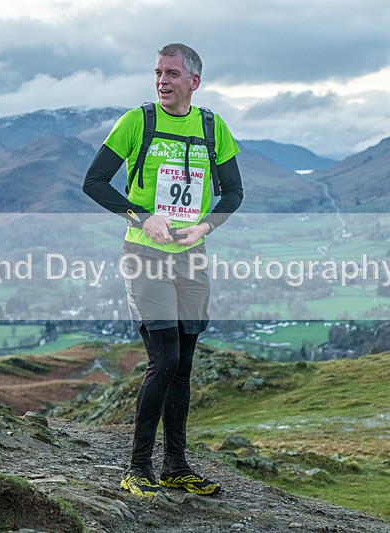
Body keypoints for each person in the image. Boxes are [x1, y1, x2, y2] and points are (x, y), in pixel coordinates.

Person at [82, 43, 244, 497]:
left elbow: (233, 192)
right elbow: (93, 181)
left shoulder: (213, 127)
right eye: (157, 72)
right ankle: (137, 467)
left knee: (185, 364)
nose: (161, 80)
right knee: (165, 359)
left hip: (192, 256)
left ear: (194, 81)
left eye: (171, 73)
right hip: (145, 254)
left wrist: (205, 226)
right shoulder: (137, 122)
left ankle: (175, 465)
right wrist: (139, 215)